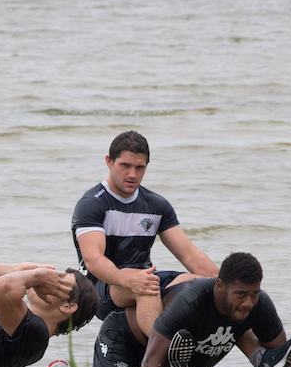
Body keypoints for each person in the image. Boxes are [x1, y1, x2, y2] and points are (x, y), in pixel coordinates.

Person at [42, 253, 291, 367]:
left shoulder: (260, 305)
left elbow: (281, 365)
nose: (248, 302)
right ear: (220, 286)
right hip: (129, 340)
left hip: (184, 353)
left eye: (254, 294)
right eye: (240, 294)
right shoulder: (190, 300)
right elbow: (152, 362)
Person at [71, 131, 220, 336]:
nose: (132, 174)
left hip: (144, 277)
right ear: (109, 162)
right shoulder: (92, 204)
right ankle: (161, 348)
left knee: (199, 284)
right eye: (125, 165)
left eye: (139, 167)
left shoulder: (156, 205)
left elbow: (189, 254)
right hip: (103, 287)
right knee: (147, 285)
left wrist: (223, 282)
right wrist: (127, 279)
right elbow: (93, 260)